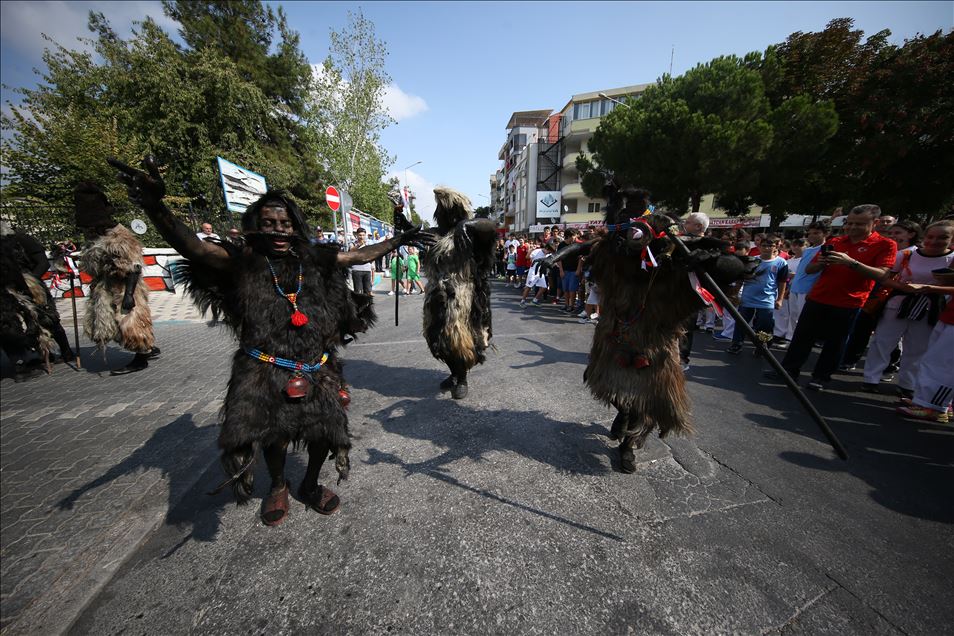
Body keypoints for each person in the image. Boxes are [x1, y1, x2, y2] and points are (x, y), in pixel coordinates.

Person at [110, 156, 424, 526]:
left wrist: (399, 239)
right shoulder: (241, 259)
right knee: (273, 435)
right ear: (257, 226)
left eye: (285, 223)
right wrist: (154, 206)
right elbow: (194, 248)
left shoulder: (314, 258)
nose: (278, 229)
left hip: (316, 366)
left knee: (326, 429)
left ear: (295, 226)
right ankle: (277, 485)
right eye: (269, 223)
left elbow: (359, 254)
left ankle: (309, 484)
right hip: (262, 368)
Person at [541, 184, 752, 472]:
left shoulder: (669, 261)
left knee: (647, 402)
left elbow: (724, 273)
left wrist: (719, 265)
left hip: (654, 342)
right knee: (610, 389)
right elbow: (589, 257)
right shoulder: (611, 259)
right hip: (613, 336)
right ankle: (623, 412)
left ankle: (628, 446)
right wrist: (559, 256)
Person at [771, 205, 896, 391]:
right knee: (802, 336)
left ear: (875, 223)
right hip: (818, 297)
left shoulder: (885, 245)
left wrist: (851, 263)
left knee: (835, 342)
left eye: (859, 224)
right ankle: (789, 371)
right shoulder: (836, 241)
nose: (852, 227)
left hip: (849, 301)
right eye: (850, 223)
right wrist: (821, 263)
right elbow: (809, 269)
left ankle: (821, 377)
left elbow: (882, 275)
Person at [410, 187, 495, 400]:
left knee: (459, 340)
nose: (447, 214)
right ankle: (454, 373)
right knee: (436, 338)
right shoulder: (435, 233)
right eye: (444, 209)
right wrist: (400, 216)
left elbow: (491, 226)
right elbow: (411, 234)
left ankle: (462, 377)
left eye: (452, 210)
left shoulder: (470, 232)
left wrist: (466, 225)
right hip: (436, 296)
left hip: (461, 297)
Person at [73, 181, 159, 375]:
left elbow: (134, 267)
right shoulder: (95, 239)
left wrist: (129, 294)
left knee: (130, 323)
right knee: (110, 323)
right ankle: (148, 349)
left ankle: (141, 357)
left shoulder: (119, 238)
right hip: (106, 288)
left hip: (125, 287)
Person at [861, 220, 954, 396]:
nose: (934, 241)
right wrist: (902, 287)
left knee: (917, 347)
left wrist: (931, 289)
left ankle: (907, 383)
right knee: (883, 341)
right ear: (924, 237)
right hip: (899, 303)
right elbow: (886, 277)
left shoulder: (952, 259)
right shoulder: (906, 255)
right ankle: (870, 378)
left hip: (929, 307)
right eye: (930, 237)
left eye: (942, 237)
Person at [896, 279, 954, 423]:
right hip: (950, 315)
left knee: (942, 365)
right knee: (933, 360)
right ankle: (925, 401)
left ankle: (934, 408)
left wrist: (930, 287)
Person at [727, 234, 788, 355]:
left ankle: (762, 347)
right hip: (747, 298)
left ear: (775, 247)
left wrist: (780, 299)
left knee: (765, 325)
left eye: (770, 245)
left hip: (767, 300)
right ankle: (736, 345)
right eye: (763, 245)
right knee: (741, 323)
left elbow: (782, 282)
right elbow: (741, 279)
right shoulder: (752, 260)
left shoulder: (781, 263)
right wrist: (734, 294)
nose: (766, 248)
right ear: (759, 247)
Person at [679, 213, 709, 370]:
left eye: (688, 222)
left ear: (699, 226)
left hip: (693, 293)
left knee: (686, 327)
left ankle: (683, 358)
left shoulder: (708, 245)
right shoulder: (681, 241)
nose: (685, 224)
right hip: (676, 291)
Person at [349, 228, 374, 295]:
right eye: (360, 235)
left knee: (368, 290)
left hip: (367, 269)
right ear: (357, 235)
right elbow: (351, 251)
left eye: (363, 235)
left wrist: (372, 265)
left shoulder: (369, 244)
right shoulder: (353, 243)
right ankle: (358, 305)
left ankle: (367, 304)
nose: (362, 237)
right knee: (358, 291)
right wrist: (359, 245)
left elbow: (372, 255)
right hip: (357, 270)